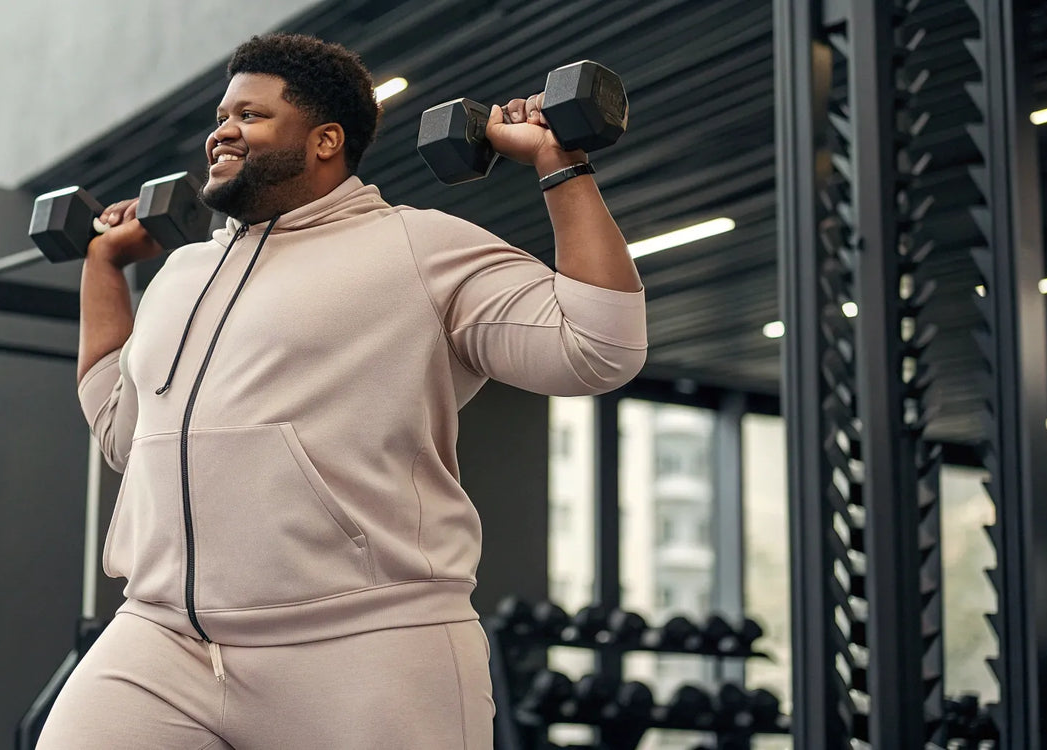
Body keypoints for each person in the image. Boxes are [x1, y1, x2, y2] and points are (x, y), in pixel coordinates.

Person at [39, 33, 646, 749]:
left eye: (250, 116)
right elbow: (121, 432)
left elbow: (601, 348)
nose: (221, 132)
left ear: (325, 139)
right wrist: (103, 269)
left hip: (365, 641)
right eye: (221, 116)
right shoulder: (181, 275)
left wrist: (558, 163)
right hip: (162, 635)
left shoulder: (420, 247)